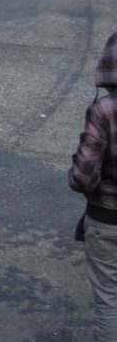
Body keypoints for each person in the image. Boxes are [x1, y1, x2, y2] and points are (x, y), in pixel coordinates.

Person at [68, 31, 117, 342]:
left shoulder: (105, 110)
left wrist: (77, 179)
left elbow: (83, 176)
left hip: (107, 218)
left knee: (109, 300)